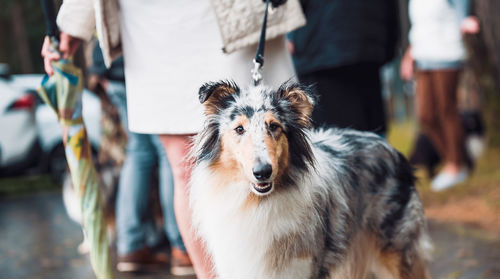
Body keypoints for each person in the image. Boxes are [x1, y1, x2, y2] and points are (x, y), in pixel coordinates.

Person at [41, 0, 304, 278]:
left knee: (270, 151)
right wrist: (72, 24)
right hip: (151, 26)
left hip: (230, 13)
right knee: (185, 168)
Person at [88, 44, 193, 275]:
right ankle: (182, 247)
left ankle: (130, 245)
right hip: (146, 69)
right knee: (168, 152)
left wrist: (100, 68)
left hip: (111, 69)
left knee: (138, 151)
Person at [287, 0, 400, 135]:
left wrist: (288, 34)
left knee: (331, 140)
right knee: (371, 136)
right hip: (368, 47)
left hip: (320, 48)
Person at [400, 0, 480, 191]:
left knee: (447, 110)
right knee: (426, 115)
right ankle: (456, 160)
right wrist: (408, 57)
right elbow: (419, 28)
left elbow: (462, 12)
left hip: (447, 56)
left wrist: (466, 23)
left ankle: (456, 166)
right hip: (423, 58)